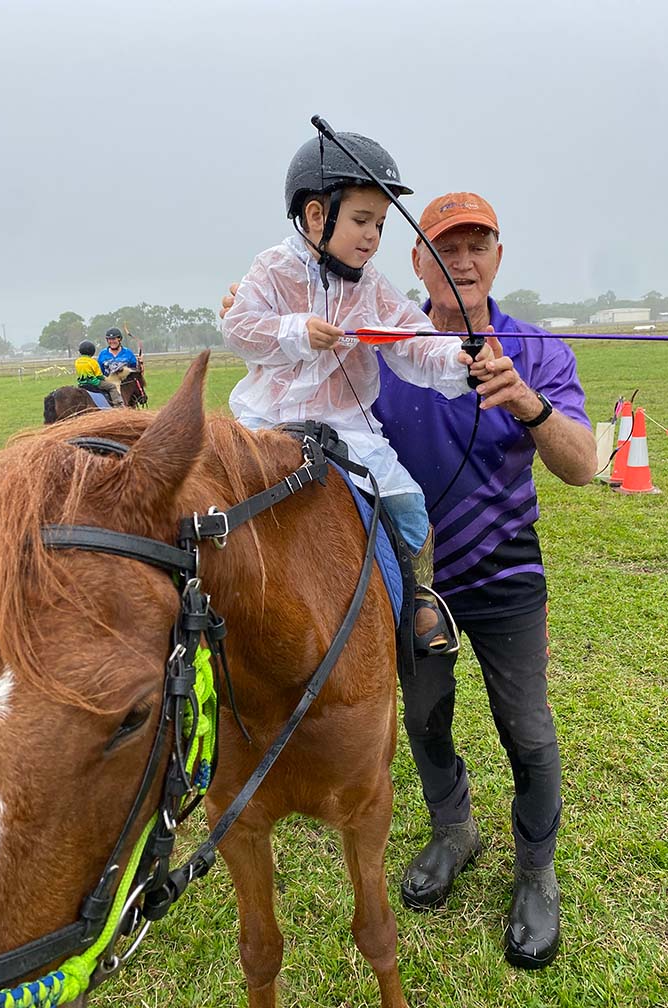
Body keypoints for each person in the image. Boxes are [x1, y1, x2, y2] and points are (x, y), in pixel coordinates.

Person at [373, 192, 597, 970]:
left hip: (506, 569)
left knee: (528, 733)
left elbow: (582, 466)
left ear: (498, 256)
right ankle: (454, 830)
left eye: (477, 245)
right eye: (444, 247)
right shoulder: (384, 343)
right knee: (424, 719)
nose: (461, 260)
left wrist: (529, 404)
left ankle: (537, 873)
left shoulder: (536, 349)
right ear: (417, 261)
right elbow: (299, 367)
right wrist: (256, 310)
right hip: (415, 578)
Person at [222, 133, 505, 655]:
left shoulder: (372, 286)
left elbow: (414, 340)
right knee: (218, 501)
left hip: (349, 429)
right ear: (315, 216)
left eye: (380, 223)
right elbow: (239, 327)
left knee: (408, 502)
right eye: (361, 220)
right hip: (267, 421)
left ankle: (419, 600)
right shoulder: (271, 269)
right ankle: (214, 602)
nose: (373, 236)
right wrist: (295, 331)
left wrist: (459, 358)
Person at [74, 340, 124, 407]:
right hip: (94, 383)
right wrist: (106, 379)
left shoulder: (77, 361)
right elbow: (99, 375)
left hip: (82, 384)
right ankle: (117, 405)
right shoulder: (93, 362)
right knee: (112, 387)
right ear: (92, 351)